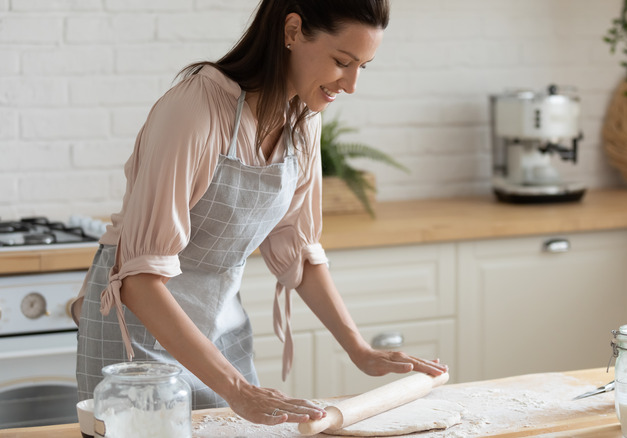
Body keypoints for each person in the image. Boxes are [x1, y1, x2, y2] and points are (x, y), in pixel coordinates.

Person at [71, 0, 448, 426]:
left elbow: (298, 249)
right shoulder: (197, 108)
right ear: (291, 31)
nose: (352, 83)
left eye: (364, 66)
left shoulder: (303, 119)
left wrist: (359, 349)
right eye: (342, 61)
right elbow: (139, 279)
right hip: (138, 333)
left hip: (220, 322)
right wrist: (237, 390)